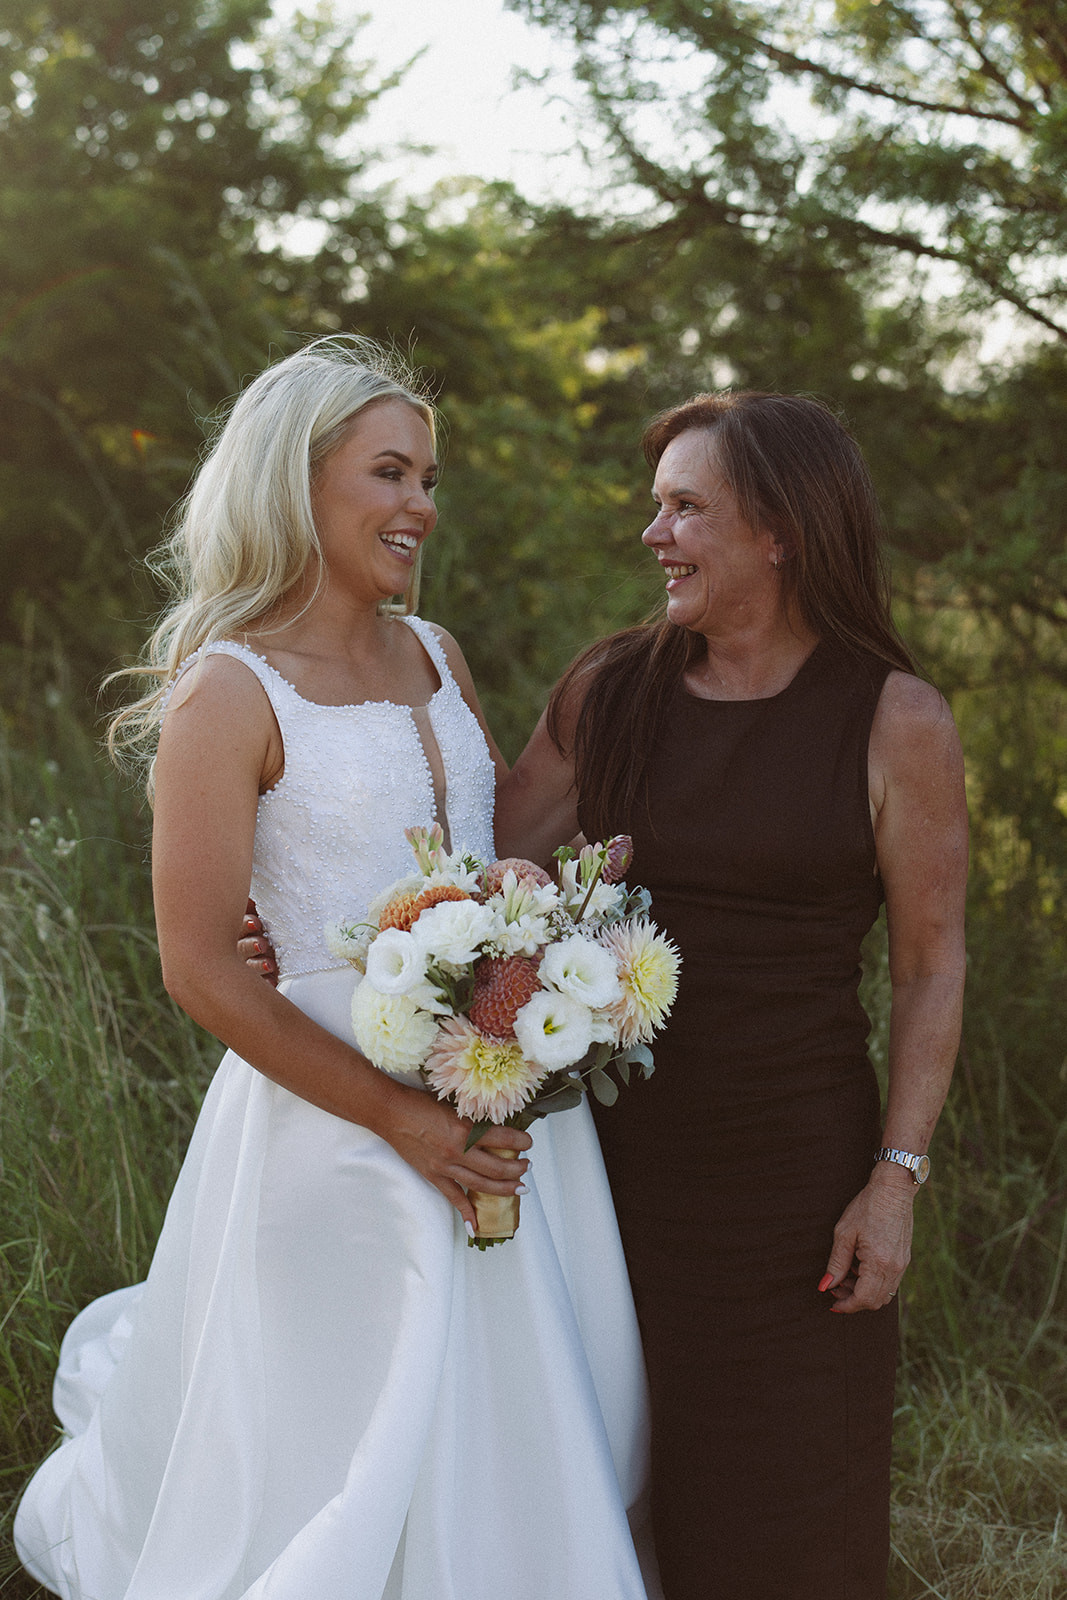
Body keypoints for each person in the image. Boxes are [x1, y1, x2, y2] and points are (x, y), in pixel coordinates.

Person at [14, 337, 654, 1600]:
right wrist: (403, 1121)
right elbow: (200, 967)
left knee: (513, 1393)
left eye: (427, 478)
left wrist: (536, 901)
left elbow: (479, 844)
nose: (420, 505)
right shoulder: (226, 693)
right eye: (388, 473)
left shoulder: (438, 654)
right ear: (295, 484)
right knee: (359, 1411)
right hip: (336, 1117)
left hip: (496, 1084)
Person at [495, 391, 968, 1600]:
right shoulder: (608, 691)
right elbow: (474, 861)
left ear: (780, 531)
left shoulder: (894, 719)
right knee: (598, 1497)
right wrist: (300, 914)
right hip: (600, 1176)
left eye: (684, 508)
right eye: (655, 507)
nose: (652, 534)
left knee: (788, 1519)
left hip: (794, 1193)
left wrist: (893, 1179)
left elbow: (929, 964)